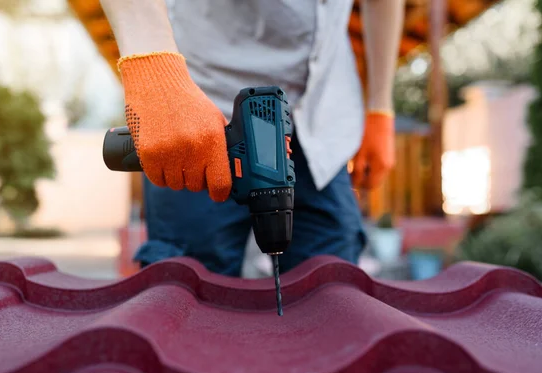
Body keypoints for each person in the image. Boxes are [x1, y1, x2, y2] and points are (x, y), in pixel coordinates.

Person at [100, 0, 405, 276]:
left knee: (332, 288)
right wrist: (154, 69)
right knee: (187, 289)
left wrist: (381, 108)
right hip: (201, 116)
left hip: (322, 123)